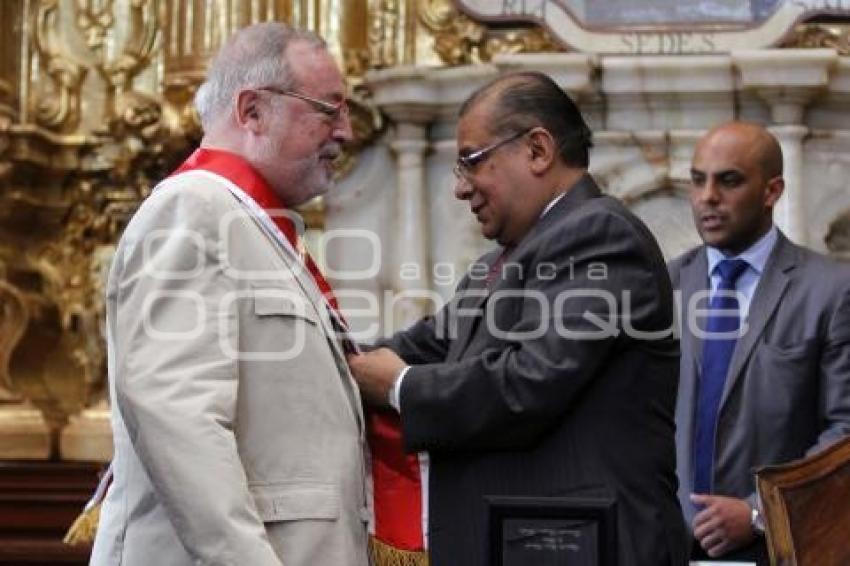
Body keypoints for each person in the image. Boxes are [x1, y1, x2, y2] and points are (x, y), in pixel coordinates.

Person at [348, 71, 688, 566]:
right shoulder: (501, 261)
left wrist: (399, 387)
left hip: (585, 547)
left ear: (537, 150)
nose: (462, 189)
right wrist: (335, 358)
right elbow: (426, 343)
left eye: (471, 162)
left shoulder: (600, 234)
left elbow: (530, 382)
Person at [89, 23, 369, 566]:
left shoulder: (252, 223)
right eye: (329, 110)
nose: (347, 131)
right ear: (252, 111)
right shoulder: (194, 208)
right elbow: (177, 414)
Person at [670, 121, 850, 562]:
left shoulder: (831, 290)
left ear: (772, 191)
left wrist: (757, 513)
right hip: (667, 545)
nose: (707, 197)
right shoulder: (662, 286)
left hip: (780, 547)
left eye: (728, 181)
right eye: (698, 180)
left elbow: (844, 432)